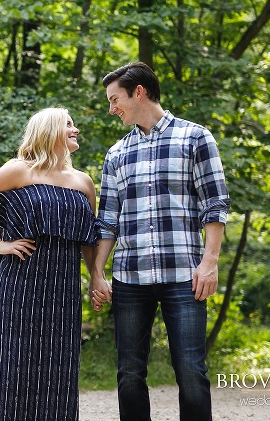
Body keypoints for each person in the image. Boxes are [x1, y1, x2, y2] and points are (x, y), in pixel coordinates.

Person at [89, 62, 231, 421]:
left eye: (114, 99)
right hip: (130, 279)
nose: (111, 109)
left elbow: (214, 203)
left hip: (185, 276)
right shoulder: (116, 153)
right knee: (130, 373)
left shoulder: (195, 138)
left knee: (190, 371)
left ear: (139, 92)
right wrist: (97, 273)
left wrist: (210, 262)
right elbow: (107, 220)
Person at [0, 107, 98, 421]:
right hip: (21, 282)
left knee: (58, 369)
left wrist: (97, 278)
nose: (76, 130)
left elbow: (88, 239)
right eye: (69, 125)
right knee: (13, 365)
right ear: (48, 131)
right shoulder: (18, 170)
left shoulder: (83, 182)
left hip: (64, 288)